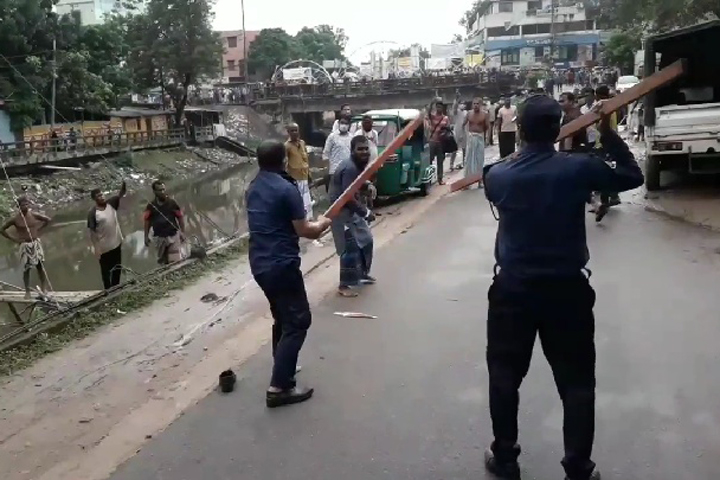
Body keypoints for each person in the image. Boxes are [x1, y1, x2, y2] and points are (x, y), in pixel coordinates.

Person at [482, 95, 644, 480]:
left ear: (518, 128)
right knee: (576, 382)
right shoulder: (578, 169)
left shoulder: (498, 176)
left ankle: (505, 458)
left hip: (513, 291)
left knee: (504, 377)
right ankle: (578, 467)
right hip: (566, 292)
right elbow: (631, 175)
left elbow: (493, 177)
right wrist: (607, 132)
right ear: (558, 129)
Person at [246, 140, 331, 408]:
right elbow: (305, 230)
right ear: (285, 160)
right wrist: (324, 224)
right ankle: (279, 387)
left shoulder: (253, 187)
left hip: (259, 264)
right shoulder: (286, 189)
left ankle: (282, 367)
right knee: (298, 321)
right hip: (280, 265)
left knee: (282, 318)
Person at [328, 135, 376, 298]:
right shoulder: (349, 167)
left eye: (366, 149)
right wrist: (366, 212)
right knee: (349, 248)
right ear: (352, 151)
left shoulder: (357, 165)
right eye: (360, 149)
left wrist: (367, 184)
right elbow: (347, 197)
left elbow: (355, 183)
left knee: (367, 239)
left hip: (350, 211)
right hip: (340, 212)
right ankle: (344, 285)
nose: (364, 152)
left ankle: (361, 273)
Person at [0, 196, 51, 298]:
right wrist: (14, 239)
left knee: (40, 266)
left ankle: (44, 288)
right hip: (25, 245)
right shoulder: (15, 219)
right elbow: (2, 229)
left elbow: (48, 220)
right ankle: (27, 291)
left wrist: (39, 230)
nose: (26, 206)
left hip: (35, 243)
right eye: (23, 205)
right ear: (19, 207)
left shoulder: (33, 215)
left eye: (27, 204)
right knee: (26, 268)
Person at [87, 181, 127, 289]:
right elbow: (92, 231)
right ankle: (108, 291)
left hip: (116, 243)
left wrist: (124, 183)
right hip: (104, 247)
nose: (102, 197)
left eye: (102, 194)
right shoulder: (93, 213)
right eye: (99, 196)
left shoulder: (111, 204)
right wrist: (96, 248)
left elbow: (122, 193)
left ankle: (116, 288)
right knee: (106, 271)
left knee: (117, 268)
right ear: (94, 199)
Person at [143, 181, 185, 265]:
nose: (162, 192)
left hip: (173, 235)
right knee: (162, 262)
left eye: (163, 189)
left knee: (175, 261)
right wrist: (146, 236)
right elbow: (146, 221)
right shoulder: (150, 206)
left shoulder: (172, 203)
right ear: (154, 192)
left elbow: (180, 217)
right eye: (159, 190)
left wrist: (182, 232)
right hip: (159, 237)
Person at [463, 97, 490, 188]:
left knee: (479, 159)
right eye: (474, 103)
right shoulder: (469, 114)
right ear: (472, 105)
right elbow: (463, 125)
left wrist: (486, 138)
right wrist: (464, 136)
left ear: (481, 105)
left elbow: (487, 127)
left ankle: (480, 180)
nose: (476, 105)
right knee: (468, 160)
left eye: (478, 104)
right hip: (471, 138)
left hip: (480, 137)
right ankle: (467, 182)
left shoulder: (485, 114)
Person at [322, 117, 353, 192]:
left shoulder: (352, 137)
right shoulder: (332, 137)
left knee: (347, 191)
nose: (344, 125)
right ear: (338, 124)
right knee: (335, 192)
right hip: (334, 170)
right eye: (342, 123)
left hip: (347, 170)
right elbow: (326, 153)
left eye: (346, 124)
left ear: (349, 125)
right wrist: (326, 170)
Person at [425, 99, 450, 185]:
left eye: (440, 107)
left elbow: (448, 129)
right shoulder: (432, 116)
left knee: (440, 161)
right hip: (432, 141)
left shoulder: (445, 118)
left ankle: (440, 179)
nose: (439, 109)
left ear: (442, 108)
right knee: (429, 161)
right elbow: (427, 112)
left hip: (441, 142)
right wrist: (432, 102)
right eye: (437, 107)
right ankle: (429, 179)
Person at [450, 93, 468, 171]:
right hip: (457, 132)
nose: (462, 105)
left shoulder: (466, 112)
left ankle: (464, 162)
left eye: (464, 104)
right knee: (454, 149)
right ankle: (451, 164)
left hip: (465, 132)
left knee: (465, 149)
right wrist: (456, 99)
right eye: (461, 103)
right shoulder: (457, 111)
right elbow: (454, 108)